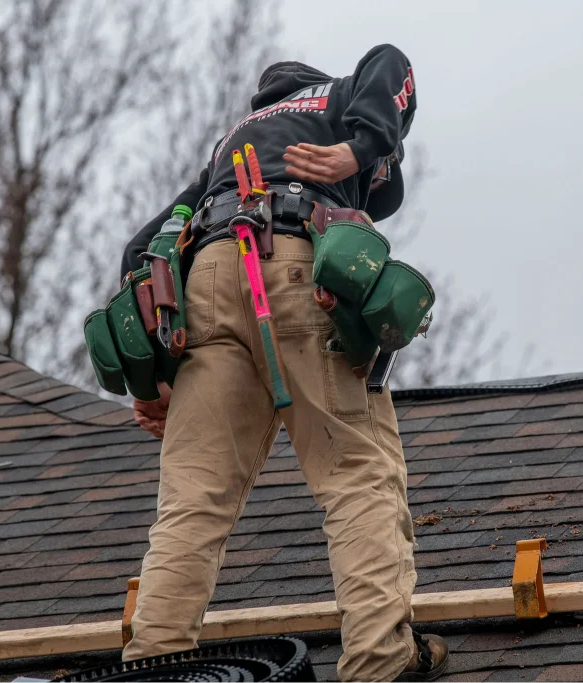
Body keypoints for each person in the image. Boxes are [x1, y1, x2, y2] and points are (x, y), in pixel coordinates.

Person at [120, 45, 448, 683]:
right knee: (355, 473)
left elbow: (143, 247)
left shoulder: (228, 146)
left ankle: (150, 667)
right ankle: (381, 663)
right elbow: (391, 63)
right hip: (296, 266)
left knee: (193, 497)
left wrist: (153, 374)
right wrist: (362, 146)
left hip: (207, 285)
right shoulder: (337, 97)